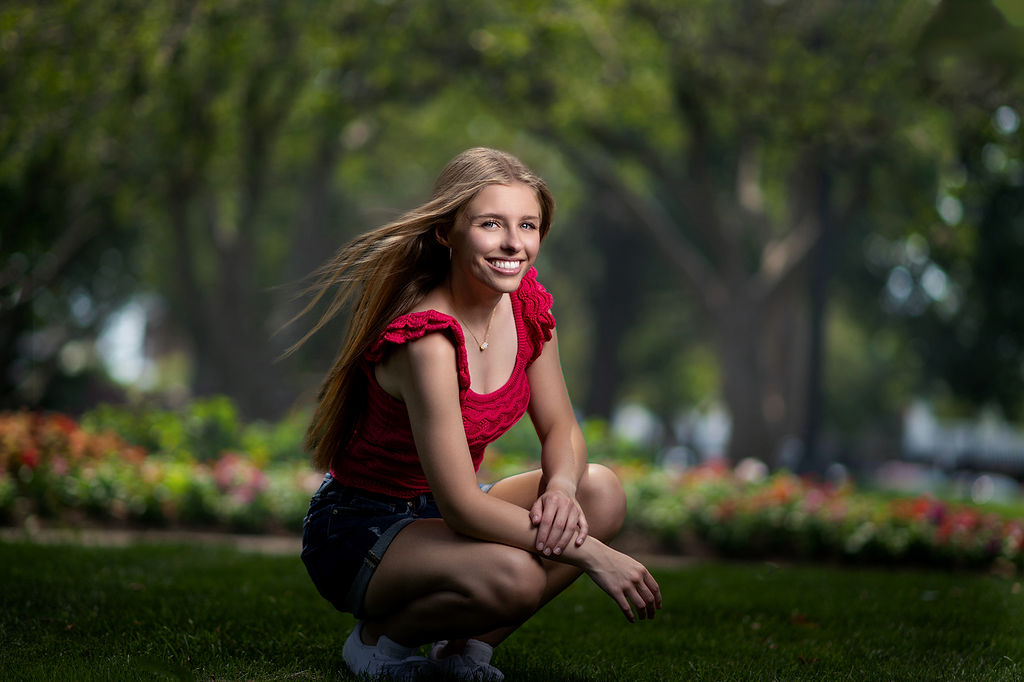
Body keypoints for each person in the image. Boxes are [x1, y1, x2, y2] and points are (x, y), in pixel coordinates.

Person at [293, 147, 661, 681]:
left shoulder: (525, 304)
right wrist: (593, 555)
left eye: (528, 226)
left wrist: (559, 488)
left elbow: (560, 427)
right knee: (514, 579)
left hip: (439, 516)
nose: (515, 243)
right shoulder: (429, 340)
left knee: (598, 490)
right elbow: (464, 507)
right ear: (447, 231)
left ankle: (464, 650)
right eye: (492, 224)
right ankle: (377, 643)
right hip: (364, 527)